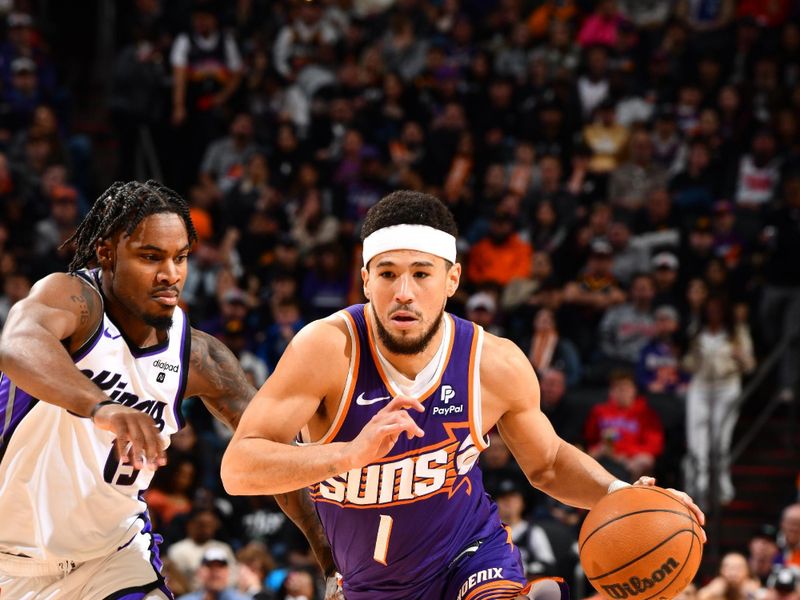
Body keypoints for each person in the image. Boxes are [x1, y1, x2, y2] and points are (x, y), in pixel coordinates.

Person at [221, 190, 704, 600]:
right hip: (372, 584)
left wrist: (620, 492)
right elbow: (239, 468)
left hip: (470, 556)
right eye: (387, 273)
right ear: (365, 280)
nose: (404, 292)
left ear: (451, 280)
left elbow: (549, 463)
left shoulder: (493, 363)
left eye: (422, 273)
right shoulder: (327, 349)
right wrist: (349, 454)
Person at [0, 180, 336, 599]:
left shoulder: (198, 357)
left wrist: (331, 562)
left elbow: (269, 448)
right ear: (106, 252)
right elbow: (18, 343)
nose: (170, 274)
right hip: (8, 561)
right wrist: (102, 407)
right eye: (150, 257)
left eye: (181, 258)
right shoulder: (73, 300)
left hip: (111, 559)